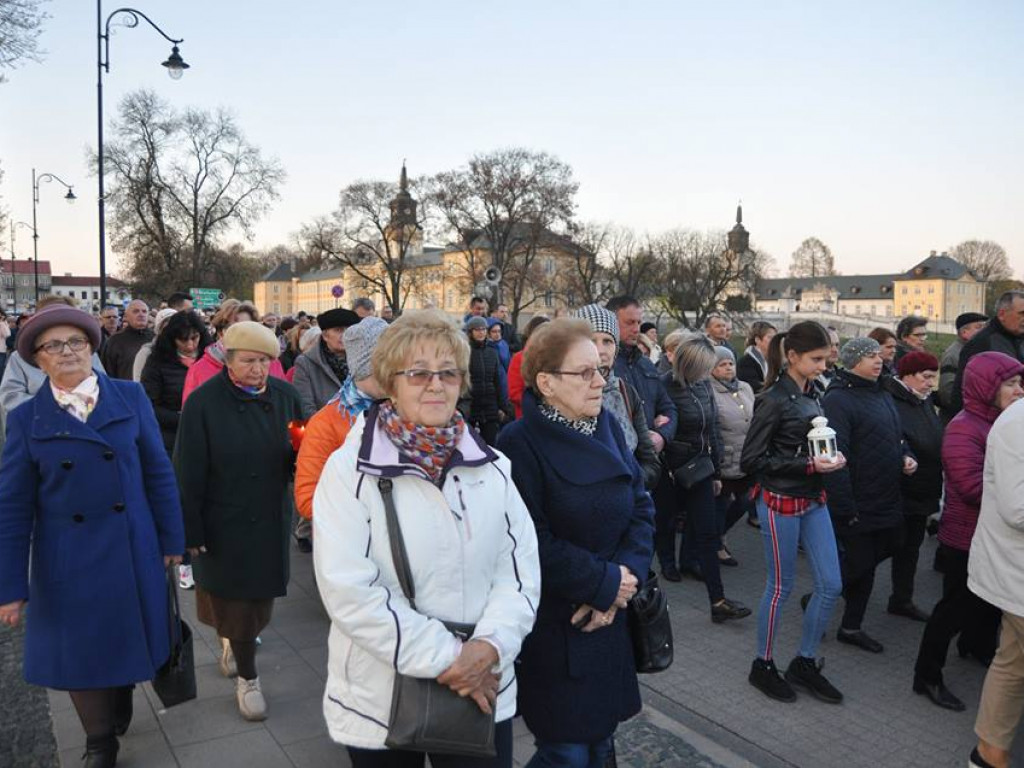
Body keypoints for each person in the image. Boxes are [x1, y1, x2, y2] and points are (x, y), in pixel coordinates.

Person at [312, 309, 540, 768]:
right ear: (390, 383)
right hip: (384, 695)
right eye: (417, 373)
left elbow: (518, 573)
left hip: (481, 687)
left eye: (447, 372)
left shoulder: (492, 466)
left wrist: (490, 646)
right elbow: (349, 590)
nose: (435, 385)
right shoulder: (348, 470)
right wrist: (453, 661)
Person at [0, 304, 184, 767]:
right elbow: (13, 507)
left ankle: (120, 692)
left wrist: (171, 543)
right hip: (67, 557)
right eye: (53, 346)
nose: (67, 352)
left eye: (76, 342)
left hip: (131, 544)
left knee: (124, 639)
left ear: (91, 347)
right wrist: (10, 588)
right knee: (82, 653)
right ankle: (99, 742)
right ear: (37, 360)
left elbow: (159, 474)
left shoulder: (130, 397)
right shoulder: (25, 421)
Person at [496, 318, 653, 767]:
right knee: (566, 752)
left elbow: (641, 507)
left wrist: (625, 580)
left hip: (609, 618)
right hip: (558, 625)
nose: (600, 381)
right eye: (584, 373)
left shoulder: (605, 426)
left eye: (600, 369)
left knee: (601, 745)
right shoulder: (518, 443)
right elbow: (528, 540)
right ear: (546, 382)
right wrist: (603, 584)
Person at [174, 321, 302, 723]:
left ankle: (234, 640)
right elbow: (187, 470)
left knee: (255, 602)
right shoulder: (203, 402)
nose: (258, 369)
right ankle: (248, 678)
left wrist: (303, 464)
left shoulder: (287, 396)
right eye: (248, 360)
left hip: (268, 514)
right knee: (235, 600)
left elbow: (300, 444)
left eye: (265, 361)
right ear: (228, 361)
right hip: (222, 516)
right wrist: (189, 530)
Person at [740, 321, 846, 705]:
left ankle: (803, 661)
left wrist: (826, 460)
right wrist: (809, 466)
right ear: (793, 356)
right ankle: (763, 664)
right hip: (780, 501)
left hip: (813, 499)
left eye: (826, 356)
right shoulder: (773, 398)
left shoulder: (812, 391)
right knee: (780, 588)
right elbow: (751, 459)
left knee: (831, 584)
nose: (824, 364)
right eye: (817, 358)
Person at [914, 352, 1023, 713]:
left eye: (1019, 383)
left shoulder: (1000, 422)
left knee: (991, 603)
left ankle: (975, 646)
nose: (1018, 390)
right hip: (965, 537)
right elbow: (970, 486)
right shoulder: (965, 427)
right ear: (985, 386)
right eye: (1009, 384)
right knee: (953, 609)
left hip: (991, 536)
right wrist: (1014, 490)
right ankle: (927, 674)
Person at [822, 338, 917, 654]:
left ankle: (832, 594)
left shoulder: (882, 391)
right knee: (862, 563)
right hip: (859, 499)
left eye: (879, 355)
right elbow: (836, 457)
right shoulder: (838, 400)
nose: (878, 360)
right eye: (869, 356)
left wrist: (905, 454)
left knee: (890, 545)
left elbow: (895, 434)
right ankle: (846, 621)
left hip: (886, 493)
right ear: (852, 361)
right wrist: (845, 506)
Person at [660, 336, 749, 622]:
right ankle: (666, 566)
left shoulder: (703, 387)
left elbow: (712, 430)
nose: (706, 373)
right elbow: (658, 432)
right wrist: (669, 463)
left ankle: (718, 601)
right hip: (671, 472)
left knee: (707, 532)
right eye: (703, 367)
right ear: (690, 364)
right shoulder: (663, 386)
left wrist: (716, 471)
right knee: (665, 524)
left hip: (700, 470)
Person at [967, 394, 1024, 768]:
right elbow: (1016, 508)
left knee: (1015, 658)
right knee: (1014, 659)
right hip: (1016, 569)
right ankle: (990, 753)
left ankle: (989, 752)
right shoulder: (1017, 423)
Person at [293, 317, 388, 521]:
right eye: (384, 367)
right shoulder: (327, 421)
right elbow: (308, 499)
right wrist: (373, 517)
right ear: (364, 369)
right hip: (354, 539)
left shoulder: (405, 410)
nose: (393, 376)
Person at [881, 351, 943, 622]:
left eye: (933, 377)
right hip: (901, 489)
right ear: (907, 376)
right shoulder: (891, 399)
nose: (931, 383)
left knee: (911, 549)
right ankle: (834, 590)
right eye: (926, 377)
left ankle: (902, 599)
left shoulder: (922, 399)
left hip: (923, 489)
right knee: (883, 548)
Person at [572, 304, 660, 489]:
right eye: (591, 341)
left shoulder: (625, 392)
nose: (601, 350)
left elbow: (649, 461)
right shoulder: (561, 396)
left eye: (607, 341)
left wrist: (630, 485)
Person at [606, 296, 677, 456]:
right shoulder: (604, 367)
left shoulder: (646, 364)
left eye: (638, 322)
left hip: (652, 459)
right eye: (630, 322)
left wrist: (662, 435)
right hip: (621, 458)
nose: (637, 329)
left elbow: (668, 408)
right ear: (611, 322)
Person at [181, 300, 285, 402]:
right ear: (221, 333)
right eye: (235, 329)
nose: (243, 335)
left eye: (248, 328)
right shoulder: (199, 370)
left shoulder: (272, 364)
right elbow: (191, 413)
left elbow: (286, 405)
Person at [709, 345, 756, 563]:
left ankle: (721, 532)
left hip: (746, 456)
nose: (728, 368)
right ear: (712, 368)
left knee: (745, 501)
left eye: (730, 363)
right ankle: (717, 543)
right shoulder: (709, 390)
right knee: (721, 503)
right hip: (725, 457)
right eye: (722, 365)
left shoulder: (745, 387)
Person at [952, 291, 1024, 414]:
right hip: (991, 422)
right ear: (1002, 314)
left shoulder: (1020, 339)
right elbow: (963, 393)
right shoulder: (982, 343)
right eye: (1022, 314)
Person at [292, 308, 360, 418]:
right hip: (324, 431)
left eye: (349, 330)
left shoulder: (363, 360)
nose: (345, 335)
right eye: (338, 330)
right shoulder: (306, 363)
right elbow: (305, 407)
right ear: (325, 336)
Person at [462, 316, 510, 445]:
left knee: (490, 444)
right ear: (470, 332)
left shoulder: (492, 352)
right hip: (471, 405)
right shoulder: (465, 352)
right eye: (477, 329)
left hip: (490, 404)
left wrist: (503, 407)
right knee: (469, 444)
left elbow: (498, 380)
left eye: (483, 329)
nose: (481, 332)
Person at [938, 312, 988, 420]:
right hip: (956, 418)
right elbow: (947, 392)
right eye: (979, 327)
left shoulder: (974, 350)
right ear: (964, 332)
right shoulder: (953, 355)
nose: (984, 331)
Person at [508, 315, 549, 419]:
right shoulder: (519, 358)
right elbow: (514, 393)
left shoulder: (554, 357)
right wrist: (539, 404)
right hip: (527, 416)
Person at [101, 299, 153, 380]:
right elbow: (107, 374)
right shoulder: (114, 341)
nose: (141, 314)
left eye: (144, 311)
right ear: (126, 316)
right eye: (136, 311)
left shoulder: (157, 338)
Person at [131, 307, 178, 382]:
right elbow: (138, 383)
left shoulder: (184, 352)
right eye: (167, 328)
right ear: (159, 330)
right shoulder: (146, 353)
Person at [737, 321, 776, 394]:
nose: (774, 341)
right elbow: (753, 388)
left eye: (775, 337)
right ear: (757, 340)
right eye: (770, 337)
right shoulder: (745, 363)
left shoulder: (773, 360)